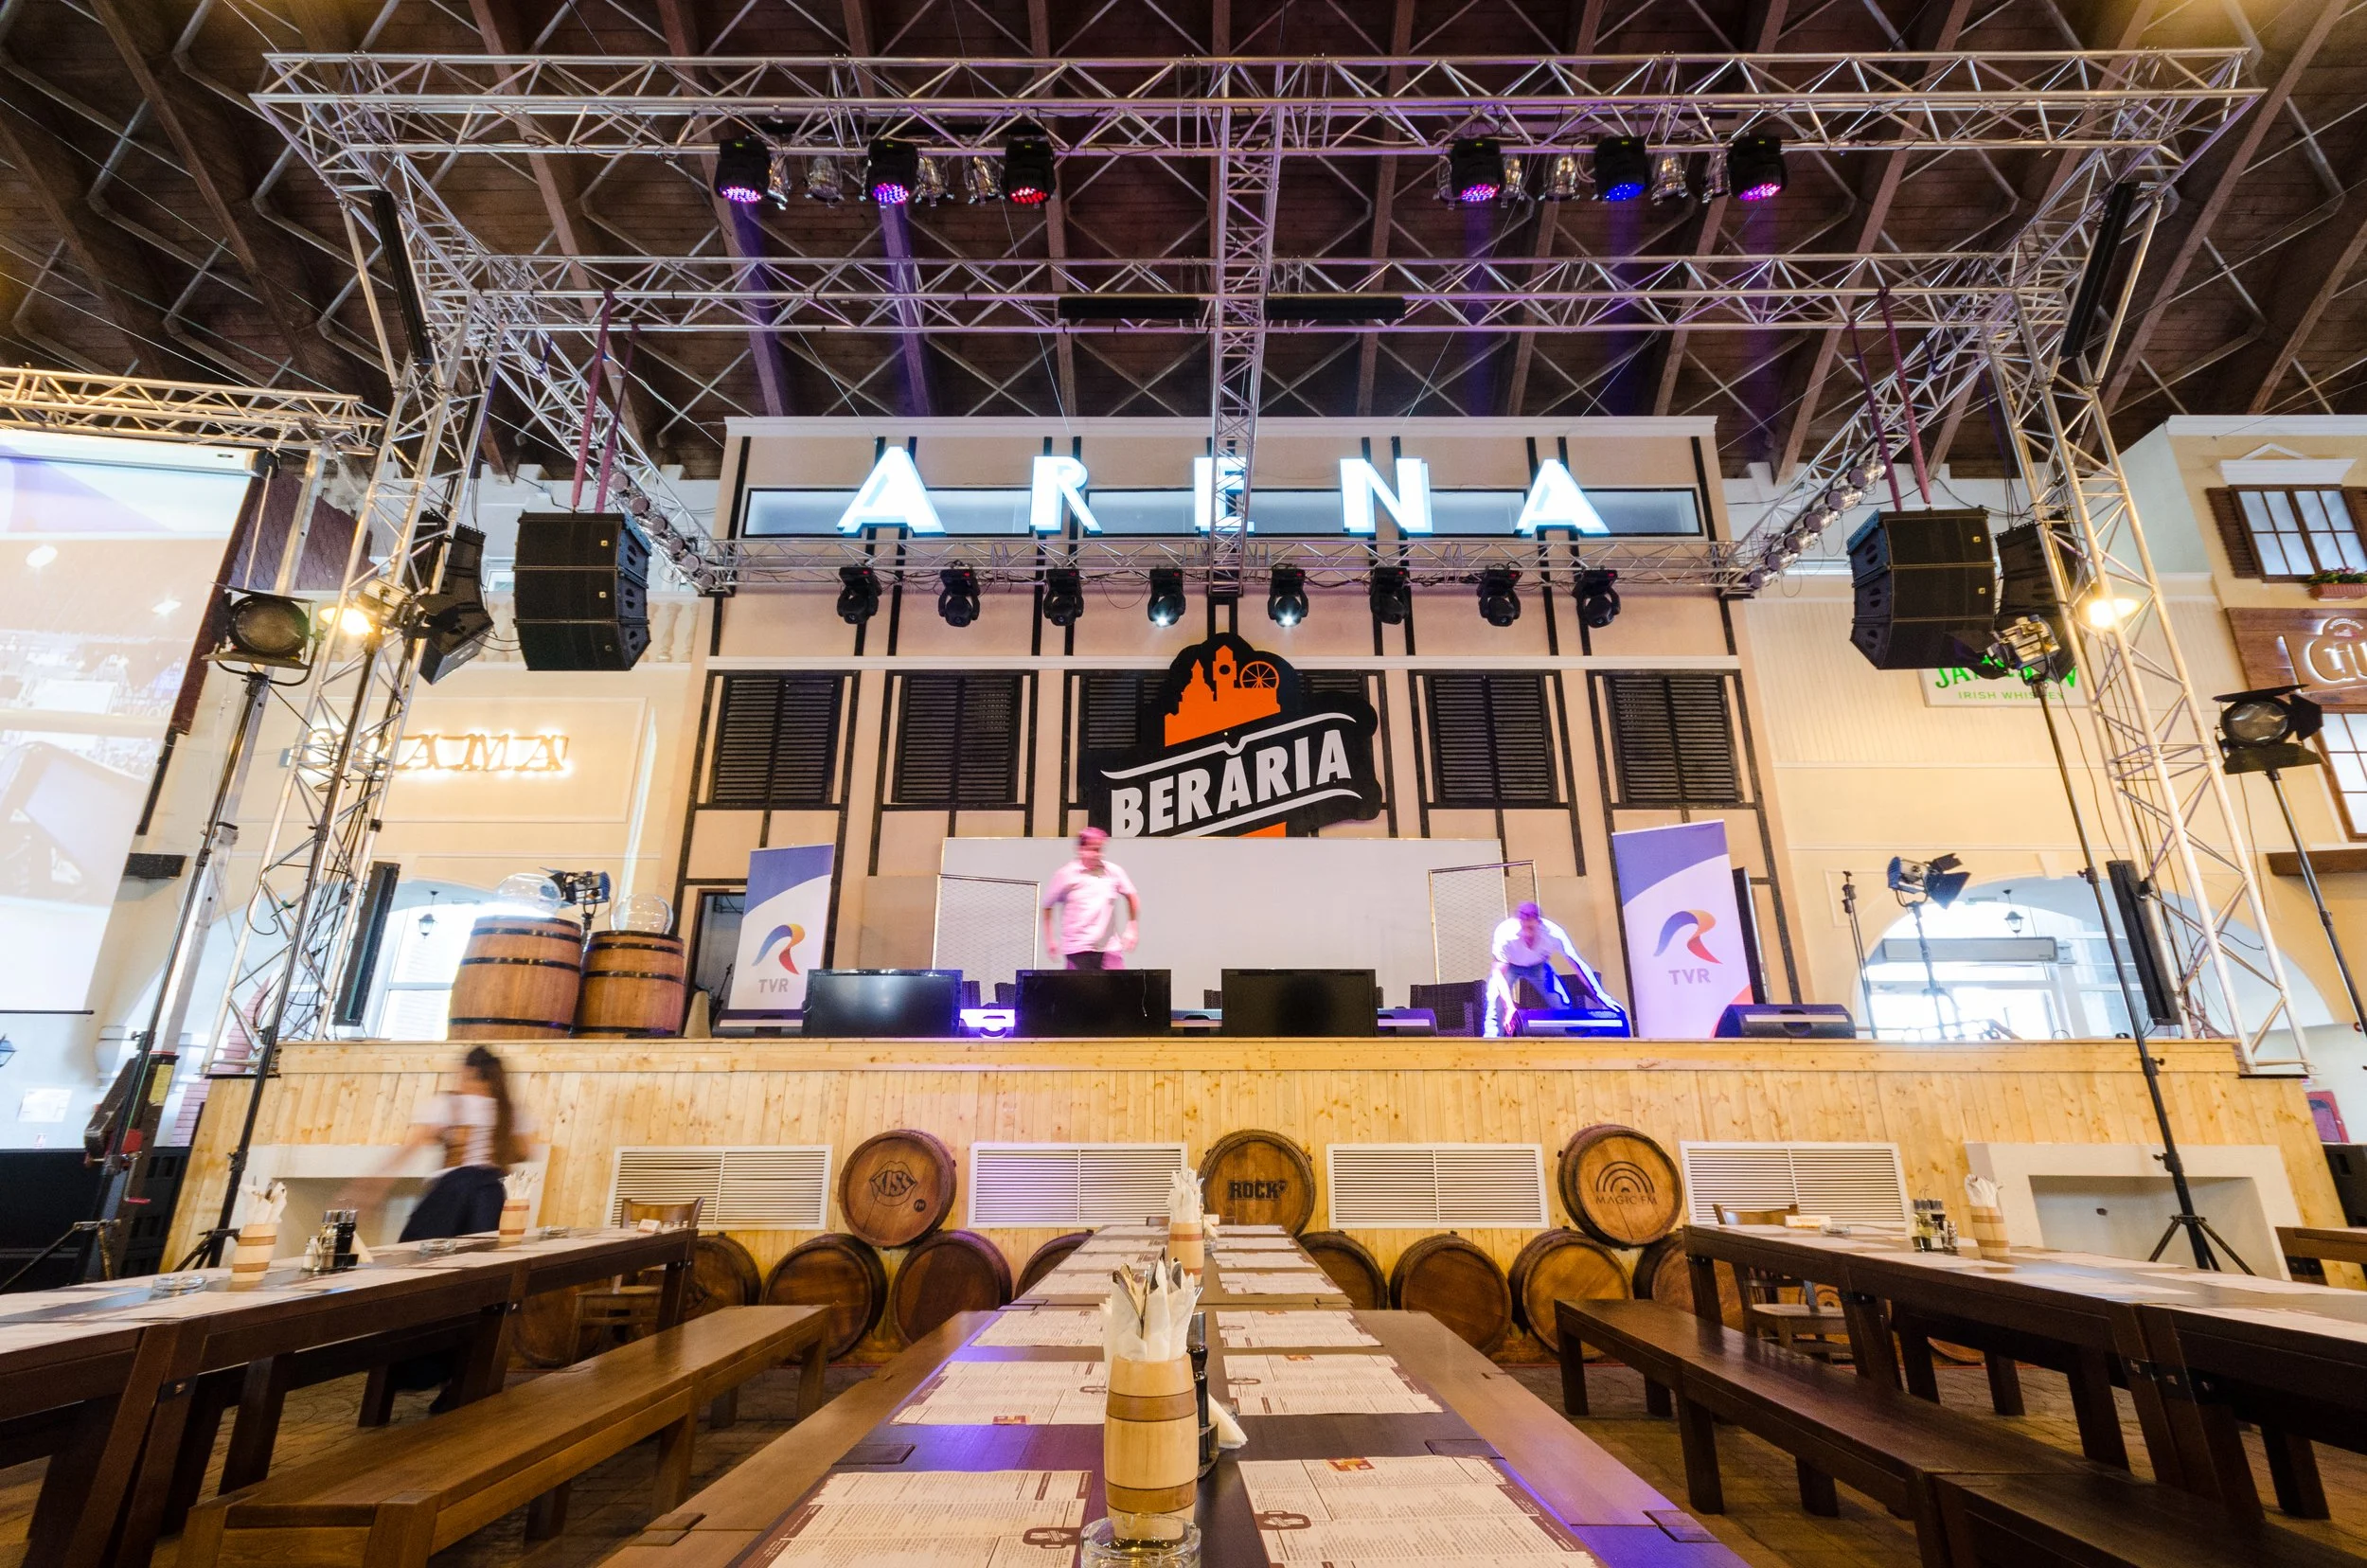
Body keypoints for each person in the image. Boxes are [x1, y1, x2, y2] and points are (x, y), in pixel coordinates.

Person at [347, 1045, 540, 1407]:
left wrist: (367, 1189)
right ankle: (463, 1381)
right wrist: (492, 1146)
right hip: (493, 1197)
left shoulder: (448, 1104)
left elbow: (408, 1148)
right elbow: (527, 1152)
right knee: (483, 1290)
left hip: (451, 1196)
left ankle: (405, 1371)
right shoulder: (512, 1110)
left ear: (468, 1073)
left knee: (418, 1279)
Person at [1485, 901, 1625, 1038]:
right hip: (1510, 966)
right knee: (1494, 1000)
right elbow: (1498, 972)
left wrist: (1599, 994)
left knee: (1562, 1003)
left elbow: (1577, 963)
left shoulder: (1553, 933)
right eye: (1524, 928)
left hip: (1538, 966)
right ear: (1518, 922)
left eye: (1531, 929)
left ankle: (1571, 1042)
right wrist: (1509, 1007)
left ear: (1539, 923)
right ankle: (1491, 1043)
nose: (1527, 935)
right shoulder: (1505, 933)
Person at [1041, 826, 1139, 971]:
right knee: (1080, 992)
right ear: (1081, 849)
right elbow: (1047, 905)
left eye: (1100, 850)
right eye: (1093, 849)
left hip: (1109, 948)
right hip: (1077, 949)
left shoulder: (1112, 871)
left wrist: (1132, 927)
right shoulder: (1066, 874)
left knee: (1119, 990)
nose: (1097, 854)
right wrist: (1050, 939)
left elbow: (1132, 895)